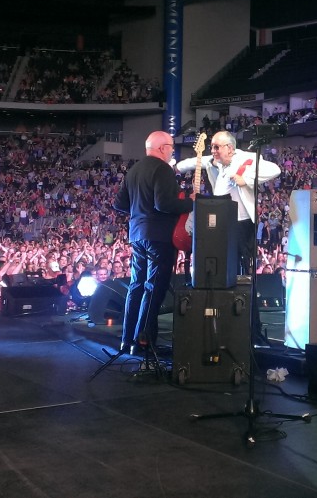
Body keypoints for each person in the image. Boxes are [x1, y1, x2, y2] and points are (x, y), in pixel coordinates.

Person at [113, 131, 194, 355]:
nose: (172, 151)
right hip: (159, 236)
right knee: (153, 287)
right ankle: (143, 342)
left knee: (136, 285)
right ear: (162, 148)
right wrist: (190, 203)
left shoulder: (134, 170)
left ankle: (127, 340)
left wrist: (140, 211)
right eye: (171, 147)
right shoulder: (163, 169)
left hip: (137, 234)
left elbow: (119, 203)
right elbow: (164, 204)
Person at [175, 130, 281, 275]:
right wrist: (176, 167)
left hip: (241, 223)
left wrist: (246, 179)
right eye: (211, 147)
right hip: (221, 220)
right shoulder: (218, 161)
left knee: (241, 264)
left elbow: (275, 169)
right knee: (222, 262)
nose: (213, 151)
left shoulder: (245, 158)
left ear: (230, 148)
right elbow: (196, 162)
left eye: (216, 147)